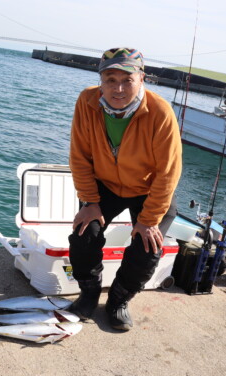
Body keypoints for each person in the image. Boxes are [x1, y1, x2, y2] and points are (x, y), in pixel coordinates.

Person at [67, 48, 182, 331]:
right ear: (100, 80)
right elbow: (79, 155)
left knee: (148, 247)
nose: (118, 88)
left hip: (148, 188)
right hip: (105, 184)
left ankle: (119, 299)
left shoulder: (160, 112)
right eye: (110, 79)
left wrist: (149, 219)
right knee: (84, 234)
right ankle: (90, 292)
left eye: (127, 80)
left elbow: (168, 172)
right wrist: (89, 202)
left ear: (141, 79)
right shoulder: (87, 101)